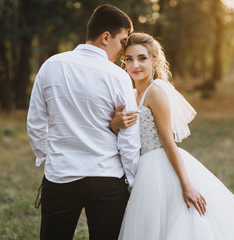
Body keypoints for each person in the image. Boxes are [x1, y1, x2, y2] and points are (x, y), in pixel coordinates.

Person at [110, 32, 234, 240]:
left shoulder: (155, 92)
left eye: (142, 58)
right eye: (129, 59)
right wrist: (115, 123)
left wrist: (186, 185)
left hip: (159, 163)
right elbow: (123, 134)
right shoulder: (131, 96)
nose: (135, 65)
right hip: (142, 168)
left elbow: (168, 141)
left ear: (154, 60)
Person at [27, 5, 140, 240]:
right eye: (122, 41)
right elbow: (129, 136)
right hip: (107, 178)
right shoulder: (118, 76)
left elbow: (36, 124)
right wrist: (132, 180)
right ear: (106, 37)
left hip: (60, 177)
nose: (123, 50)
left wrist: (51, 159)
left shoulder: (51, 66)